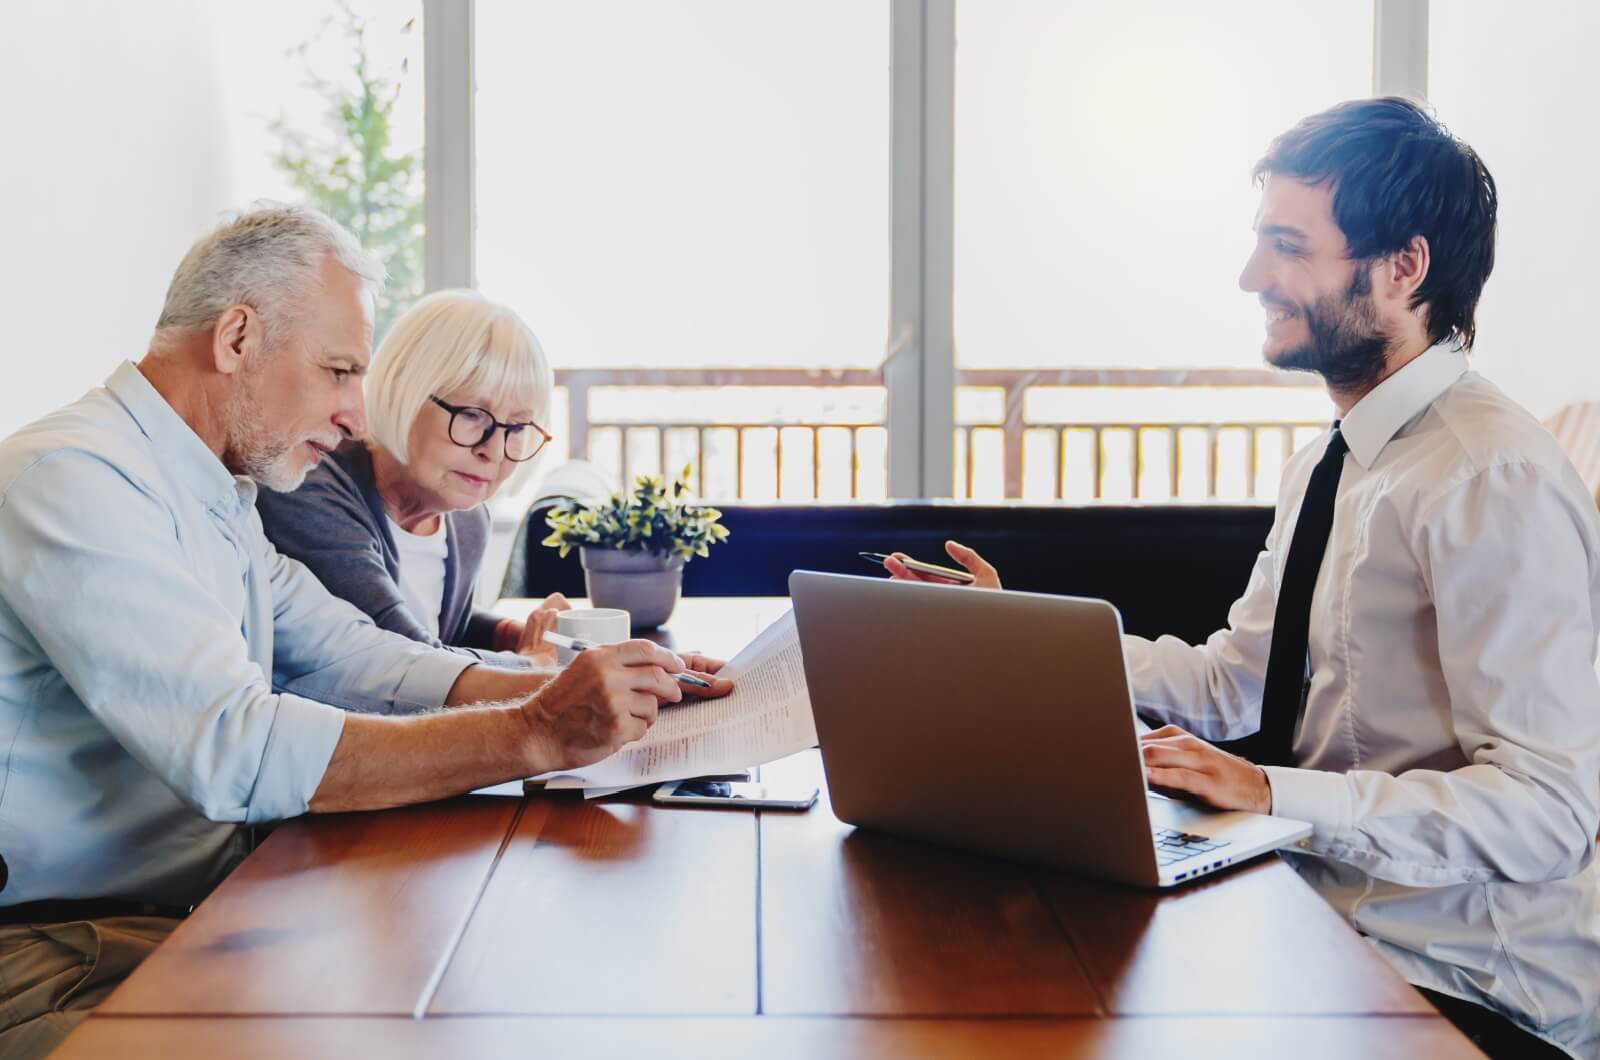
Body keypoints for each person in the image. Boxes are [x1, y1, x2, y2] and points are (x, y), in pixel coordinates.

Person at [887, 99, 1599, 1059]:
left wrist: (1270, 794)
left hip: (1464, 983)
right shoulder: (1336, 459)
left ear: (1405, 268)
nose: (1251, 277)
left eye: (1287, 246)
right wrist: (1016, 633)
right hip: (1325, 916)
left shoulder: (1490, 478)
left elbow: (1548, 812)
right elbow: (1238, 682)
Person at [0, 205, 731, 1058]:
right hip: (61, 947)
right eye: (340, 371)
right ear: (237, 337)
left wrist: (575, 686)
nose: (357, 412)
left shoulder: (216, 492)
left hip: (206, 901)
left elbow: (353, 652)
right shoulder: (74, 478)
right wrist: (534, 734)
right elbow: (233, 747)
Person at [257, 289, 569, 666]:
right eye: (472, 415)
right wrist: (532, 664)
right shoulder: (312, 489)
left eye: (517, 428)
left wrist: (515, 635)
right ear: (406, 388)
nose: (495, 450)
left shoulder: (467, 520)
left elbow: (439, 627)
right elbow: (400, 659)